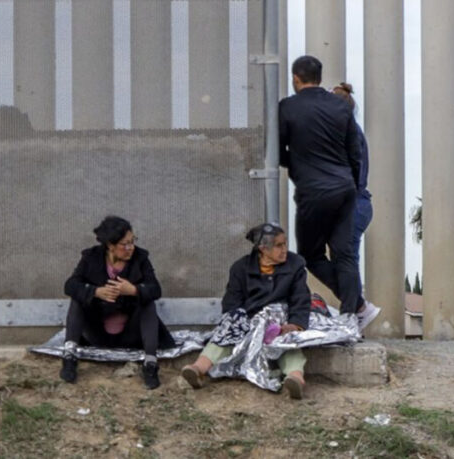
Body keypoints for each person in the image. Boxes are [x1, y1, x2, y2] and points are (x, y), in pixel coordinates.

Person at [279, 56, 377, 329]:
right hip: (346, 190)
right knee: (344, 255)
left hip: (313, 191)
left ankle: (356, 305)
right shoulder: (341, 108)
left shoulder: (288, 107)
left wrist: (298, 163)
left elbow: (277, 150)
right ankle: (351, 314)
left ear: (295, 78)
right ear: (320, 78)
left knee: (311, 255)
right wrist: (352, 184)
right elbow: (355, 154)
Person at [181, 223, 310, 399]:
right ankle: (198, 369)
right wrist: (244, 324)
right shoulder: (241, 268)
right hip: (249, 321)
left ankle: (296, 379)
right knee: (227, 329)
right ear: (263, 248)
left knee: (287, 342)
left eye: (285, 244)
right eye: (279, 245)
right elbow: (231, 303)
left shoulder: (295, 265)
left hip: (278, 322)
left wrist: (295, 325)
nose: (284, 249)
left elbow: (300, 299)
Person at [61, 215, 176, 389]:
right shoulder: (91, 257)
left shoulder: (140, 258)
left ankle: (150, 364)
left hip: (130, 334)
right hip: (98, 333)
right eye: (125, 244)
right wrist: (96, 292)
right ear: (110, 245)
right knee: (78, 299)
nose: (130, 248)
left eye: (132, 241)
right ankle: (69, 357)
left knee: (148, 302)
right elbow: (70, 285)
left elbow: (155, 289)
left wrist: (134, 290)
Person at [331, 81, 380, 331]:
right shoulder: (352, 131)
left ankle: (355, 311)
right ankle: (356, 309)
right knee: (345, 259)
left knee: (345, 260)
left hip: (352, 204)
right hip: (357, 204)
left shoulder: (346, 133)